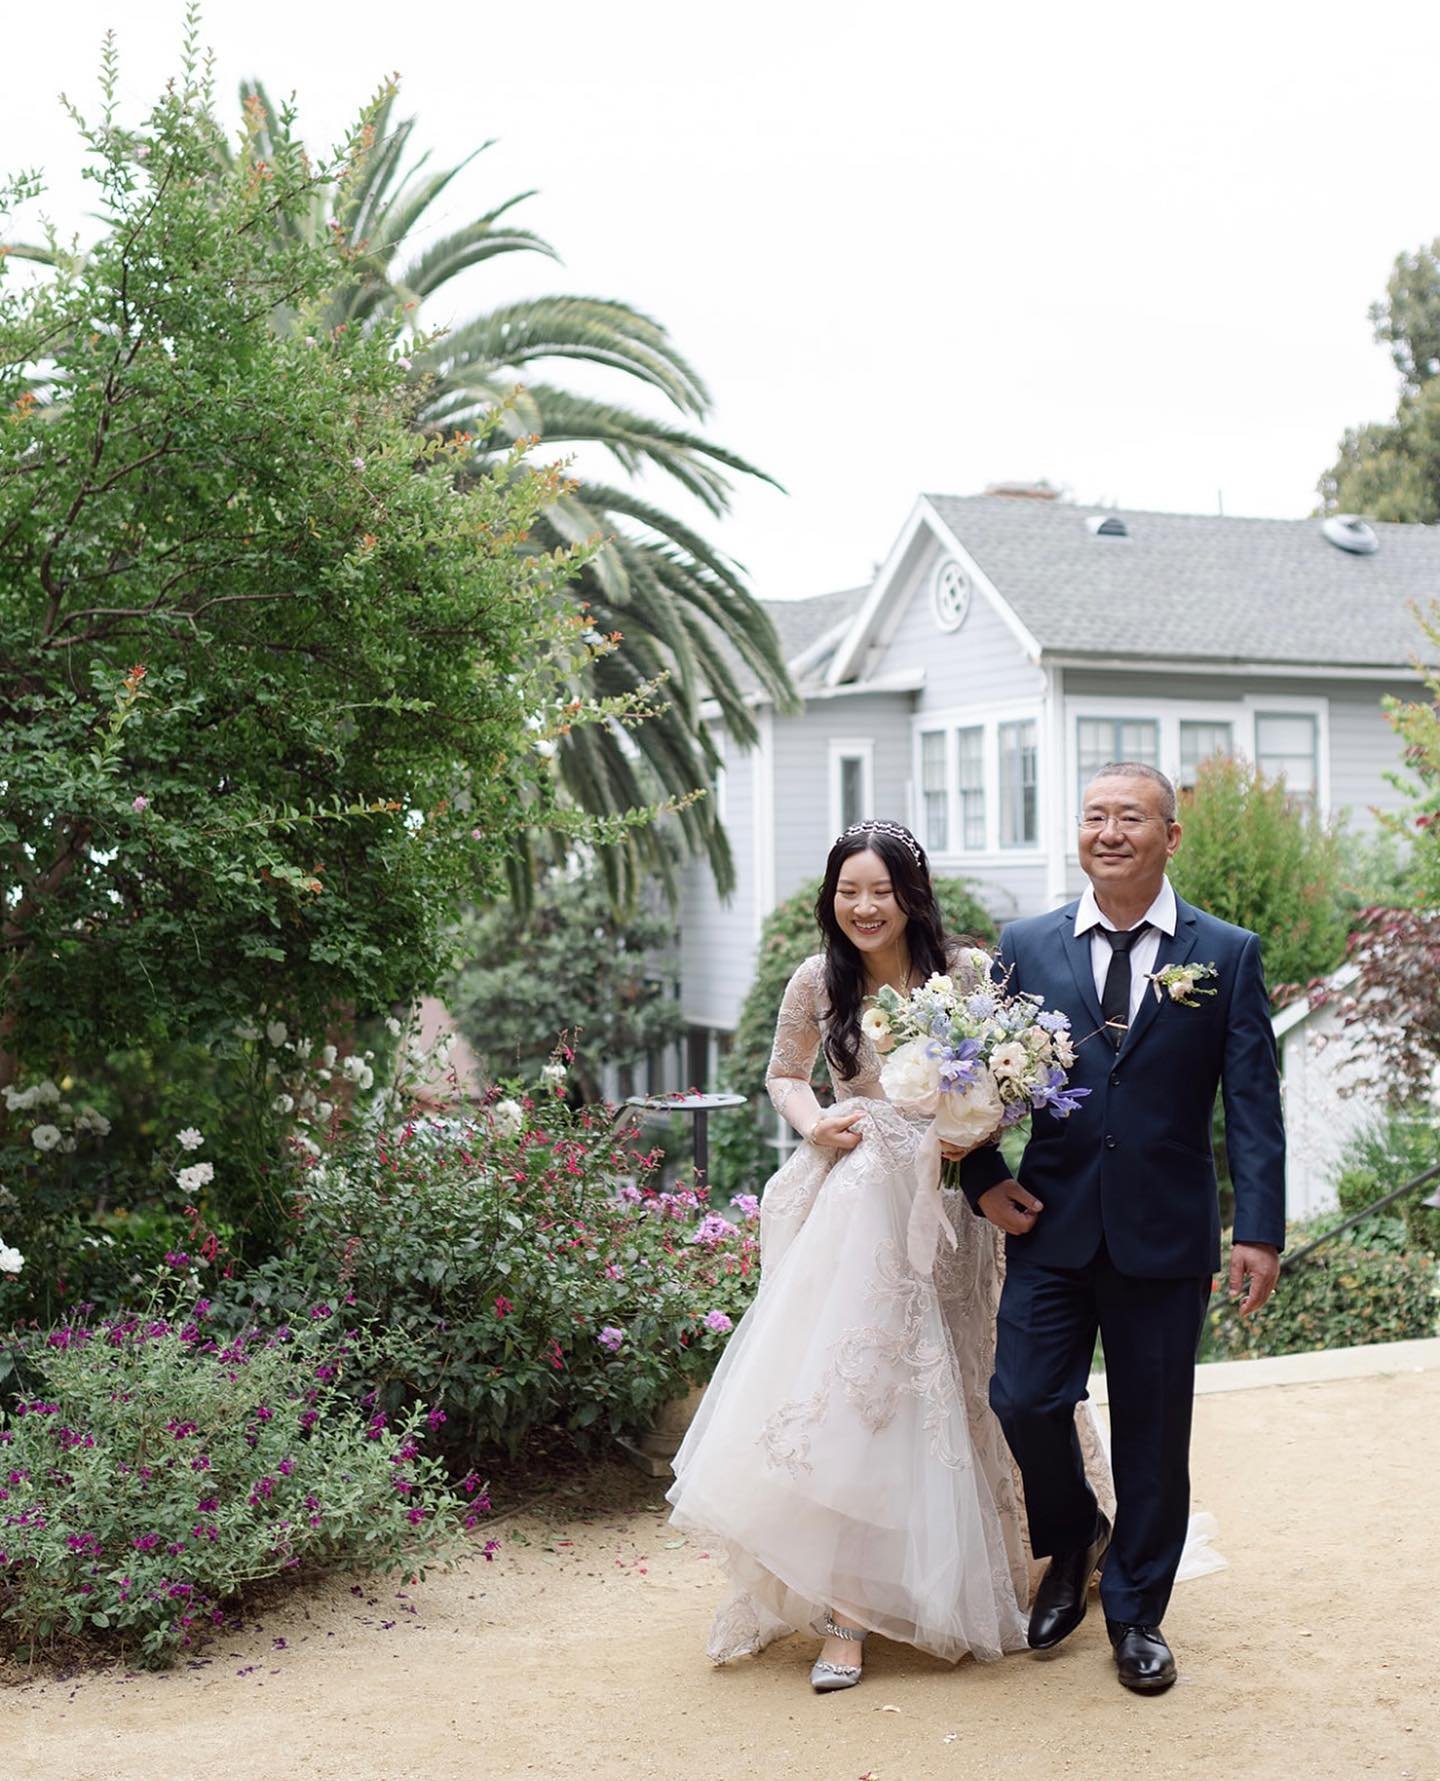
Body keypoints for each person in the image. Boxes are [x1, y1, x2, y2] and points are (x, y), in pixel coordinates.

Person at [666, 819, 1114, 1690]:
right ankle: (850, 1614)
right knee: (866, 1398)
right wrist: (814, 1122)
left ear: (912, 894)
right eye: (848, 891)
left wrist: (974, 1129)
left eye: (880, 890)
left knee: (975, 1382)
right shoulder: (815, 981)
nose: (864, 907)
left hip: (954, 1209)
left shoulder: (970, 973)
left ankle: (1043, 1538)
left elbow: (1016, 1082)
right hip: (861, 1205)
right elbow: (785, 1074)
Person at [959, 760, 1285, 1695]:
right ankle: (1073, 1541)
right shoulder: (1027, 942)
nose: (1109, 831)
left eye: (1131, 818)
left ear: (1170, 836)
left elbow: (1254, 1103)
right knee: (1022, 1396)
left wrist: (1257, 1229)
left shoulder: (1225, 953)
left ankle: (1138, 1613)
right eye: (1094, 815)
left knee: (1153, 1433)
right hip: (1050, 1225)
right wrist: (982, 1174)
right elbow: (971, 1081)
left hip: (1166, 1235)